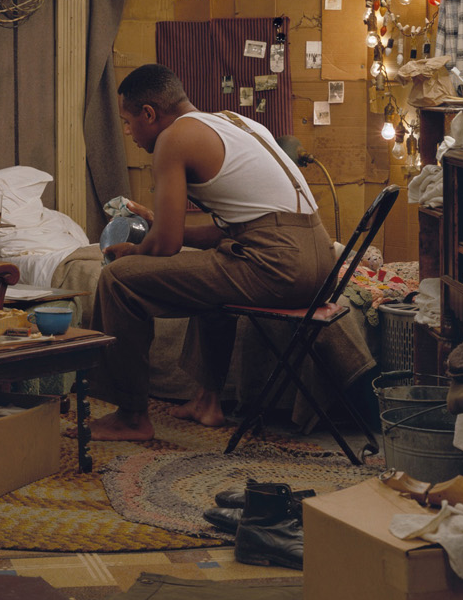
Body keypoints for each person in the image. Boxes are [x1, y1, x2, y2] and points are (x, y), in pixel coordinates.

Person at [90, 63, 335, 442]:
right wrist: (159, 223)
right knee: (212, 268)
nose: (127, 132)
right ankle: (208, 401)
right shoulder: (236, 122)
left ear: (149, 114)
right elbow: (229, 231)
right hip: (321, 264)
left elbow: (166, 245)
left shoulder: (173, 139)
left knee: (117, 280)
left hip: (280, 266)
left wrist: (133, 252)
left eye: (127, 121)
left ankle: (131, 417)